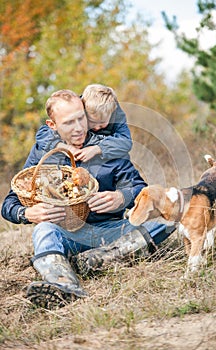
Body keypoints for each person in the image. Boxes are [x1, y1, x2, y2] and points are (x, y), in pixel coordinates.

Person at [1, 89, 175, 309]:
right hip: (68, 235)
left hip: (111, 231)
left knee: (164, 220)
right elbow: (9, 204)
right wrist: (26, 213)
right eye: (68, 123)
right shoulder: (42, 153)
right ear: (52, 126)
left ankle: (96, 260)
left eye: (81, 118)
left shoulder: (106, 146)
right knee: (43, 230)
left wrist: (121, 197)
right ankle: (64, 284)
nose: (78, 128)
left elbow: (139, 188)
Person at [36, 83, 132, 162]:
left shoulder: (115, 112)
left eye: (102, 123)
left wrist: (97, 149)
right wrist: (64, 147)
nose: (97, 127)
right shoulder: (78, 105)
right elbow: (43, 133)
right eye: (92, 122)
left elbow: (126, 141)